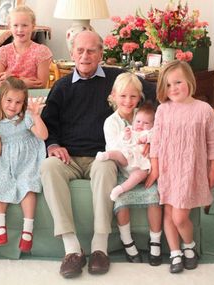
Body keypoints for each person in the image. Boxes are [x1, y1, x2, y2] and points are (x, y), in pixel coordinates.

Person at [40, 30, 156, 279]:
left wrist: (152, 127)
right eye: (80, 50)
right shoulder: (61, 87)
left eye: (92, 50)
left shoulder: (117, 79)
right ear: (71, 53)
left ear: (101, 54)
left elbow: (153, 94)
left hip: (100, 157)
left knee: (106, 167)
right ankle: (71, 249)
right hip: (67, 158)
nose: (85, 55)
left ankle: (99, 248)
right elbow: (48, 125)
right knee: (48, 167)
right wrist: (52, 145)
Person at [145, 60, 214, 273]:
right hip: (169, 169)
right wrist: (156, 167)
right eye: (168, 85)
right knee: (169, 214)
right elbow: (157, 142)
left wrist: (213, 169)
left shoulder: (203, 109)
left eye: (178, 82)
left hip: (190, 171)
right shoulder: (163, 110)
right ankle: (176, 252)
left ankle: (189, 245)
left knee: (179, 217)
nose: (173, 88)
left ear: (189, 80)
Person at [0, 76, 48, 252]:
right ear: (1, 99)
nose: (13, 106)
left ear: (24, 104)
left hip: (28, 160)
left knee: (28, 185)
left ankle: (28, 231)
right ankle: (0, 227)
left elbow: (43, 136)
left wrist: (36, 115)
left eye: (18, 102)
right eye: (9, 100)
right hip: (5, 159)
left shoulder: (26, 117)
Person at [95, 73, 162, 266]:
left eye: (133, 96)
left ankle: (155, 241)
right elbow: (114, 149)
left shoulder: (143, 116)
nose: (128, 101)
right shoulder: (112, 122)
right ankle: (128, 242)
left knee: (155, 197)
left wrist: (149, 144)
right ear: (113, 96)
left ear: (139, 97)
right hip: (124, 171)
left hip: (145, 169)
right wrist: (129, 139)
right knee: (120, 202)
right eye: (123, 96)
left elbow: (156, 134)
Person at [0, 5, 52, 89]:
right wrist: (22, 82)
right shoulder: (3, 52)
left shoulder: (41, 52)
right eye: (15, 25)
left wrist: (11, 79)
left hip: (33, 99)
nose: (20, 29)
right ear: (10, 26)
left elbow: (41, 84)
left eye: (24, 25)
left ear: (33, 26)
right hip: (9, 100)